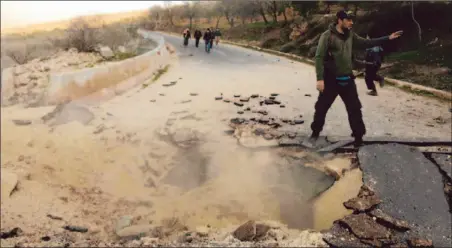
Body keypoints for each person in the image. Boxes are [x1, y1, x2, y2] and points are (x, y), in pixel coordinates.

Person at [305, 10, 403, 148]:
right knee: (321, 108)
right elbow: (319, 57)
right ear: (340, 20)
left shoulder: (351, 35)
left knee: (355, 109)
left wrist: (388, 38)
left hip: (347, 80)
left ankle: (358, 137)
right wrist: (320, 79)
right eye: (348, 20)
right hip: (331, 80)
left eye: (352, 20)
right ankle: (315, 133)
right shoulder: (327, 36)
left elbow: (366, 43)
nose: (351, 23)